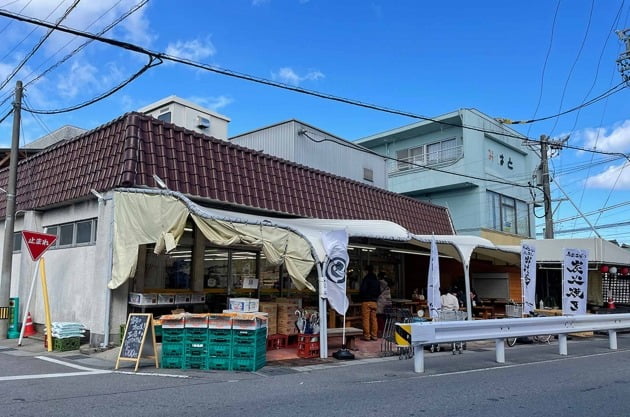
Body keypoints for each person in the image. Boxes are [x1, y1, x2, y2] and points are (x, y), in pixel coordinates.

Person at [359, 265, 381, 341]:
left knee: (366, 319)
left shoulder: (366, 279)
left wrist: (362, 296)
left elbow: (363, 290)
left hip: (366, 301)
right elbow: (379, 291)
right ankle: (374, 335)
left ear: (366, 271)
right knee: (374, 319)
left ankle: (367, 336)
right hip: (374, 302)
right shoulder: (376, 280)